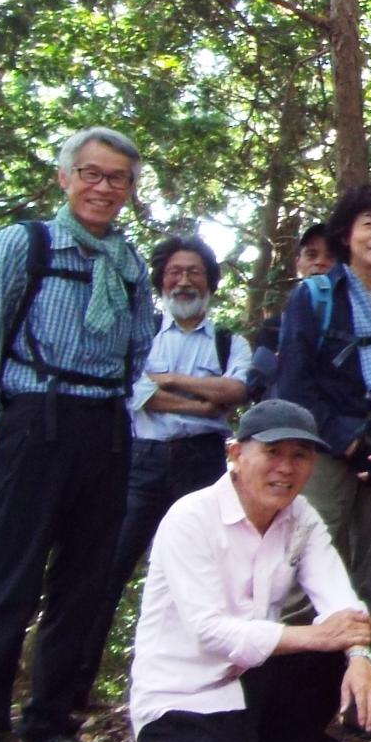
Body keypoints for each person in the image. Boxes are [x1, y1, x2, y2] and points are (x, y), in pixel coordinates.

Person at [0, 126, 159, 742]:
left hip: (107, 424)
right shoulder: (25, 242)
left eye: (116, 177)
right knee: (10, 579)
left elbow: (141, 339)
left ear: (129, 189)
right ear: (65, 178)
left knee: (86, 583)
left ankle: (49, 727)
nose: (102, 187)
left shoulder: (127, 259)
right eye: (90, 173)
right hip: (37, 416)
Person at [74, 400, 371, 742]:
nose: (286, 468)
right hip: (184, 696)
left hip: (250, 682)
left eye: (299, 456)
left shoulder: (301, 517)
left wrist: (359, 656)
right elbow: (211, 633)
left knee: (330, 661)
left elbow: (339, 599)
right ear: (236, 454)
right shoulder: (191, 518)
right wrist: (322, 635)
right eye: (273, 452)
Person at [274, 184, 371, 696]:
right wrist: (344, 439)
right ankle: (300, 691)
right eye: (369, 223)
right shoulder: (314, 298)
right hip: (323, 455)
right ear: (346, 233)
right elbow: (295, 383)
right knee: (308, 574)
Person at [106, 236, 254, 624]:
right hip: (143, 461)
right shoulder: (142, 333)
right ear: (161, 281)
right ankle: (73, 680)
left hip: (203, 463)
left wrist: (169, 378)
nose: (184, 281)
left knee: (203, 576)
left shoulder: (229, 342)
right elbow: (136, 391)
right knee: (108, 569)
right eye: (174, 272)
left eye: (194, 272)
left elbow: (237, 389)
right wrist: (201, 404)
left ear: (209, 282)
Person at [248, 221, 336, 403]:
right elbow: (256, 384)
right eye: (311, 255)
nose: (320, 262)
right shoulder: (274, 327)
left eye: (331, 256)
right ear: (298, 262)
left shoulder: (359, 325)